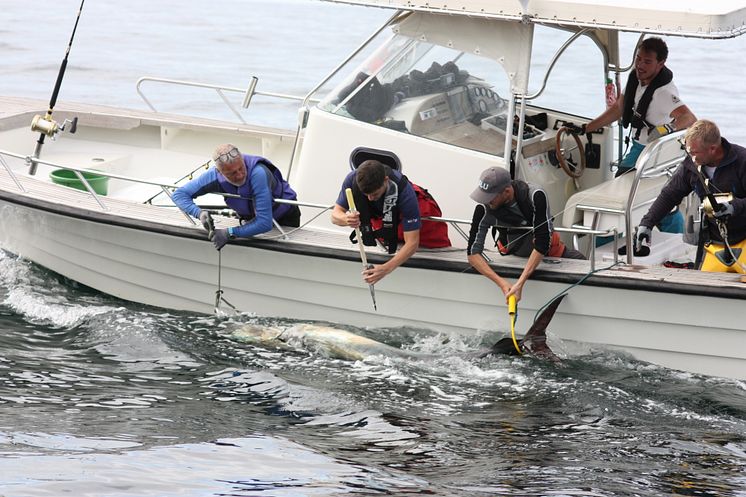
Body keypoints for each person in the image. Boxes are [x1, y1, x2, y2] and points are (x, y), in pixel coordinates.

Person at [582, 37, 697, 233]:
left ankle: (678, 239)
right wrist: (587, 128)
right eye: (638, 59)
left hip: (655, 154)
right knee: (620, 188)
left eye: (647, 61)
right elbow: (619, 108)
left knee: (660, 202)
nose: (640, 65)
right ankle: (619, 235)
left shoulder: (664, 92)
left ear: (660, 64)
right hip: (637, 147)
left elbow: (689, 118)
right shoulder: (637, 80)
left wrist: (666, 129)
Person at [635, 120, 746, 273]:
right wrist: (647, 224)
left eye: (694, 152)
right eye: (688, 151)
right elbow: (669, 195)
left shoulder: (742, 161)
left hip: (744, 238)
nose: (691, 157)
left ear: (712, 149)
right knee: (703, 290)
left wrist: (734, 207)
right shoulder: (691, 164)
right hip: (714, 243)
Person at [467, 167, 585, 303]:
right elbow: (472, 254)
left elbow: (542, 244)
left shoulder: (535, 195)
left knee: (582, 260)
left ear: (507, 191)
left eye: (490, 197)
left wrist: (520, 283)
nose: (486, 201)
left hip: (550, 255)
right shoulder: (483, 208)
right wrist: (501, 283)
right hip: (513, 258)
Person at [331, 159, 450, 284]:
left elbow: (412, 243)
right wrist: (346, 219)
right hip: (383, 222)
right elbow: (334, 215)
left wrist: (385, 269)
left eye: (375, 194)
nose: (370, 199)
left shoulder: (405, 192)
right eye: (366, 195)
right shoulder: (352, 179)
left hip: (417, 226)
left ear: (386, 181)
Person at [172, 144, 300, 250]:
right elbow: (179, 194)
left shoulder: (258, 173)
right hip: (249, 219)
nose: (239, 175)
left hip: (284, 219)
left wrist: (229, 233)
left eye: (241, 168)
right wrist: (199, 213)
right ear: (220, 172)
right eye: (232, 173)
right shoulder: (214, 175)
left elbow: (264, 223)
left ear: (243, 160)